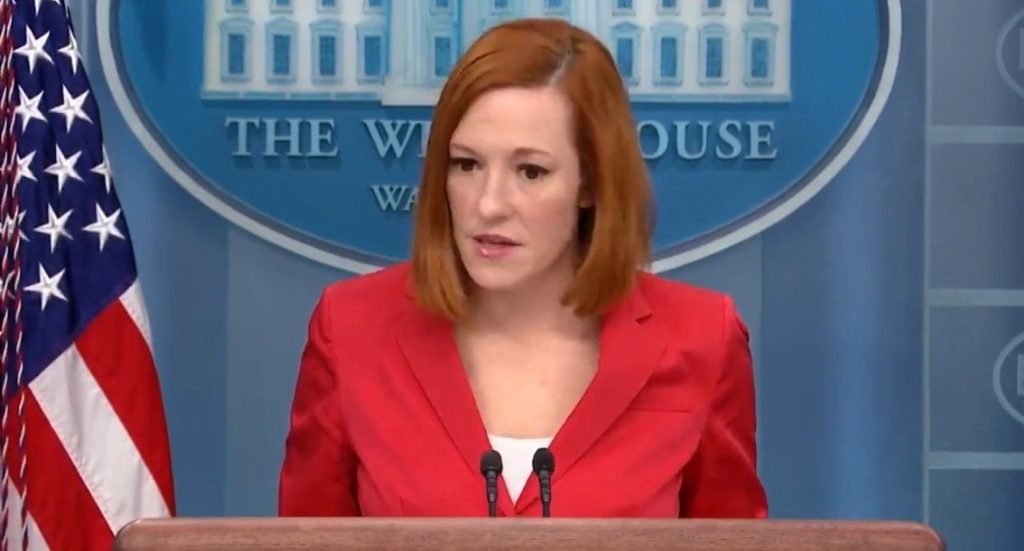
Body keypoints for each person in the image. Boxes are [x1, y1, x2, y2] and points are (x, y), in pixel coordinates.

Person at [278, 18, 767, 518]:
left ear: (591, 183)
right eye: (466, 164)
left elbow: (732, 539)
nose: (488, 204)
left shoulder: (703, 339)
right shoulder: (351, 328)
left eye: (530, 171)